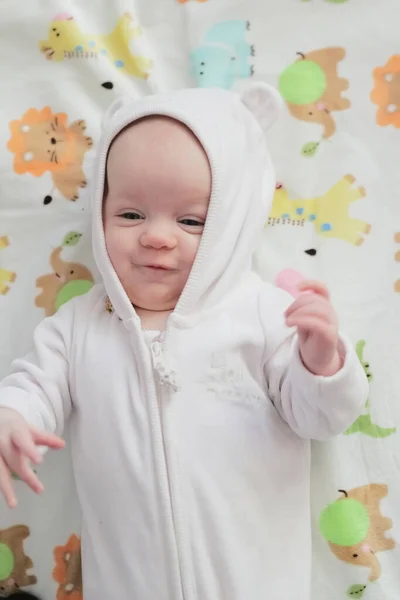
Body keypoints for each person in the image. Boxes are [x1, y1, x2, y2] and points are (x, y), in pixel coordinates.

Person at [0, 83, 368, 600]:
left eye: (191, 221)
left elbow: (323, 418)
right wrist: (12, 417)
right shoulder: (78, 326)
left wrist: (322, 363)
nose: (156, 236)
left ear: (232, 225)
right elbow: (33, 386)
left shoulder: (263, 315)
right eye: (130, 214)